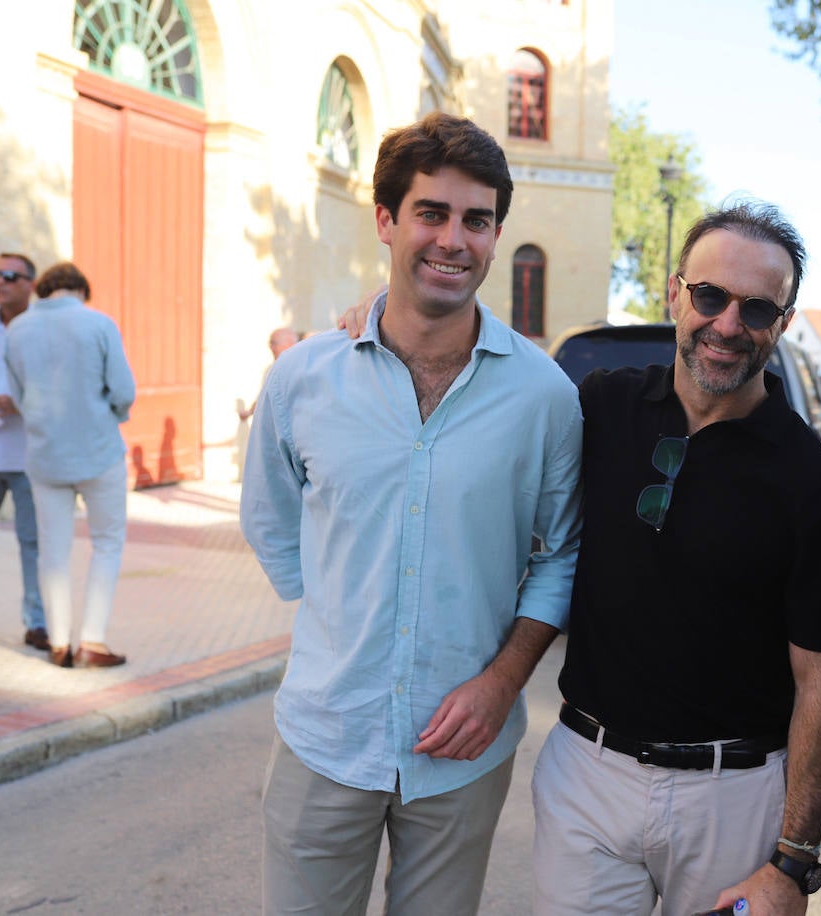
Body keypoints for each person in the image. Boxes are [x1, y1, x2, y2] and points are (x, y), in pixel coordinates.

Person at [241, 113, 583, 914]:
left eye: (477, 220)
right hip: (326, 735)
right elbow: (272, 515)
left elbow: (561, 555)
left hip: (464, 754)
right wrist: (340, 614)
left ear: (497, 233)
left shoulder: (545, 398)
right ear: (387, 220)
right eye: (431, 213)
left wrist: (502, 684)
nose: (453, 240)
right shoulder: (303, 380)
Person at [532, 204, 821, 916]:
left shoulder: (818, 488)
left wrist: (793, 860)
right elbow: (491, 398)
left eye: (756, 308)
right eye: (710, 297)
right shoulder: (599, 407)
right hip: (585, 775)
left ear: (783, 320)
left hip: (735, 800)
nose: (727, 324)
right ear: (675, 293)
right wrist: (391, 315)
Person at [4, 261, 136, 668]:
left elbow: (17, 393)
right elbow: (123, 390)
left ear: (43, 289)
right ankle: (92, 641)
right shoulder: (98, 324)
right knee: (108, 544)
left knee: (52, 552)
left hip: (45, 455)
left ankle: (59, 642)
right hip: (98, 451)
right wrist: (110, 414)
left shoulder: (17, 329)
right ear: (81, 290)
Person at [0, 253, 45, 650]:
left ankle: (37, 623)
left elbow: (58, 387)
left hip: (28, 456)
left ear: (30, 285)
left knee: (33, 542)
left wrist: (20, 403)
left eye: (10, 275)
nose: (0, 282)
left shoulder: (42, 329)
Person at [236, 326, 299, 421]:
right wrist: (249, 412)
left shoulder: (301, 369)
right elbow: (264, 398)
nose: (270, 347)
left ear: (289, 344)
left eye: (273, 343)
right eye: (270, 343)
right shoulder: (270, 369)